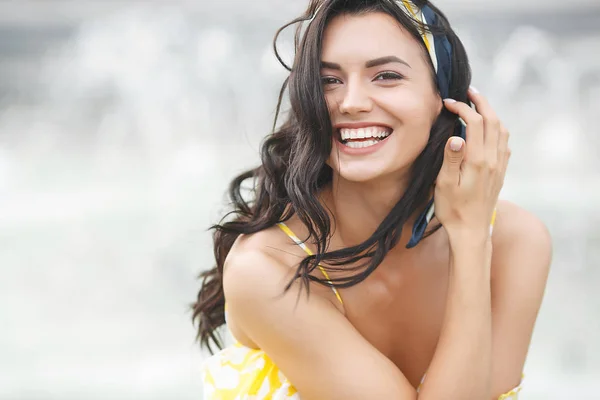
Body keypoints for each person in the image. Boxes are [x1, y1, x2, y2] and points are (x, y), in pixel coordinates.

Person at [192, 0, 552, 398]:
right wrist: (470, 238)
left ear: (445, 98)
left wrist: (470, 238)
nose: (352, 102)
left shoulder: (515, 242)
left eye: (386, 75)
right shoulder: (267, 269)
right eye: (329, 80)